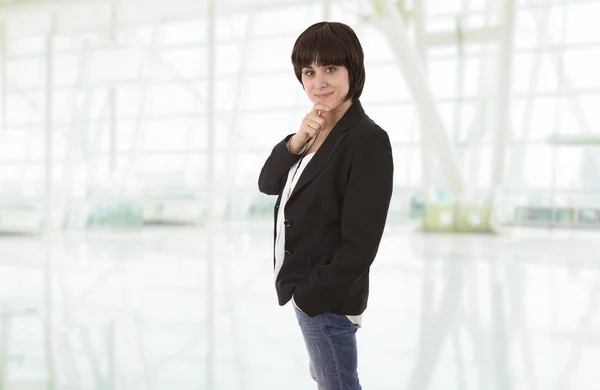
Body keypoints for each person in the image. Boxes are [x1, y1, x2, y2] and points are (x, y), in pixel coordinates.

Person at [257, 21, 394, 390]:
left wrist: (309, 298)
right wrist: (297, 140)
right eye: (309, 71)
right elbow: (268, 183)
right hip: (308, 293)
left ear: (354, 70)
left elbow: (361, 245)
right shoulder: (314, 132)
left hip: (327, 301)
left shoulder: (368, 140)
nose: (319, 82)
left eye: (331, 69)